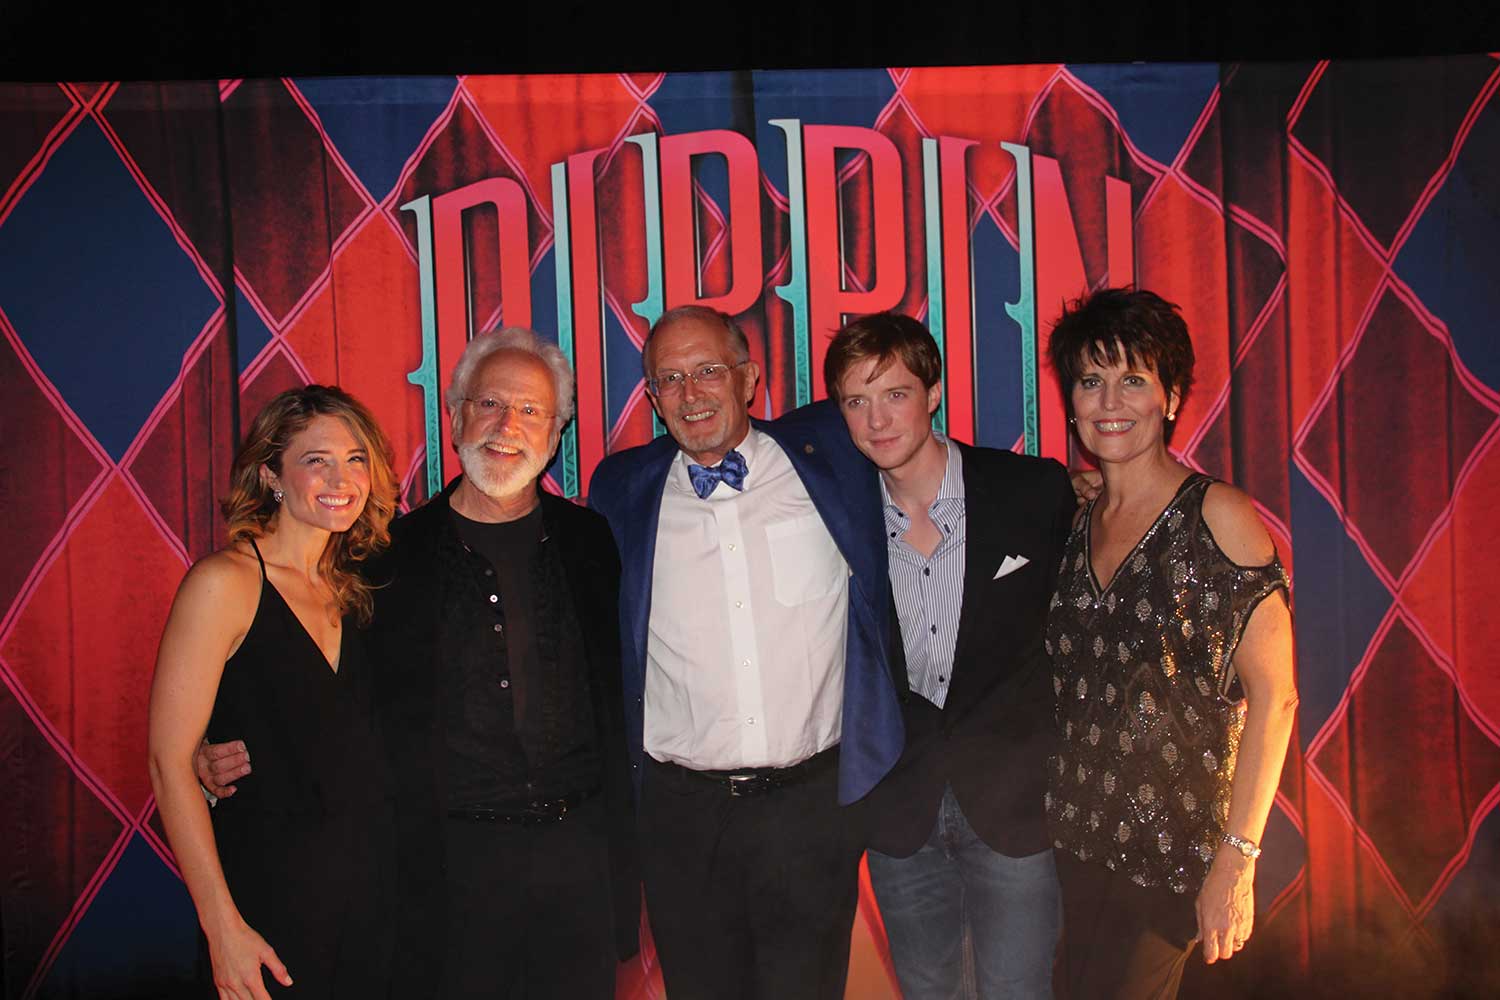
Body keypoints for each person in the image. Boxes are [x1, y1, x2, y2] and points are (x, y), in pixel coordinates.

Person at [198, 329, 638, 999]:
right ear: (456, 415)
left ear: (559, 432)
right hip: (441, 873)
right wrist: (216, 747)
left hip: (579, 862)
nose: (506, 426)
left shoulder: (592, 542)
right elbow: (309, 684)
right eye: (489, 402)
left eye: (530, 411)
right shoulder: (382, 561)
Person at [588, 305, 904, 1000]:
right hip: (681, 815)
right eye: (670, 379)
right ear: (652, 398)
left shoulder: (835, 454)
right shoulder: (619, 491)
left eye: (708, 371)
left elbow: (919, 458)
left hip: (811, 806)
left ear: (750, 379)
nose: (692, 393)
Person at [1043, 287, 1298, 999]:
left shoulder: (1219, 515)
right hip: (1075, 841)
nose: (1109, 401)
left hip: (1170, 858)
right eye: (1091, 381)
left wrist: (1237, 861)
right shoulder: (1079, 518)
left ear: (1173, 397)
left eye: (1134, 379)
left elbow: (1277, 697)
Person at [825, 312, 1075, 999]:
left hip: (1014, 807)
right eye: (856, 401)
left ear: (932, 392)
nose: (877, 420)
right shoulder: (837, 524)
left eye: (895, 393)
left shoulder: (1032, 492)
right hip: (902, 812)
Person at [148, 385, 400, 1000]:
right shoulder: (224, 583)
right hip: (270, 909)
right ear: (271, 475)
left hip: (378, 910)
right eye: (317, 460)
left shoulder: (366, 586)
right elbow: (168, 762)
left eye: (356, 458)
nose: (343, 478)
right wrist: (222, 927)